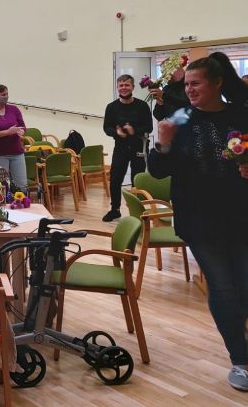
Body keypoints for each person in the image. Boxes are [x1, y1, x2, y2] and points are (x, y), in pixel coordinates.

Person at [148, 55, 248, 392]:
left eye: (196, 83)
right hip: (199, 218)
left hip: (241, 213)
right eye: (187, 84)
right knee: (223, 286)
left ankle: (240, 336)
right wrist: (163, 142)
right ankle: (241, 360)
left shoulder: (240, 114)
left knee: (244, 285)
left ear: (217, 83)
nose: (189, 89)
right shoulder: (179, 119)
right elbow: (157, 170)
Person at [101, 74, 153, 222]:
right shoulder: (111, 107)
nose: (124, 88)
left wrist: (133, 131)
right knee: (115, 179)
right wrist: (116, 132)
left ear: (132, 87)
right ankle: (115, 209)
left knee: (137, 180)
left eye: (127, 85)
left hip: (139, 147)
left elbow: (149, 127)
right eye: (121, 85)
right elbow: (107, 128)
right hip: (120, 147)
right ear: (117, 87)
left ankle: (137, 211)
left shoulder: (142, 106)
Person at [0, 84, 28, 191]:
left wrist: (21, 131)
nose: (6, 96)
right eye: (3, 94)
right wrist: (8, 132)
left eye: (7, 94)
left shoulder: (14, 109)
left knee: (22, 184)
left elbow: (22, 125)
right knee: (2, 186)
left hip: (17, 153)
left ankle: (22, 200)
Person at [150, 57, 189, 121]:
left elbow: (188, 106)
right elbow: (158, 116)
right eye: (162, 73)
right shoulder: (166, 89)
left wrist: (164, 96)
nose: (163, 76)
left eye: (165, 72)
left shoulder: (189, 84)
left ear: (175, 69)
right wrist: (159, 103)